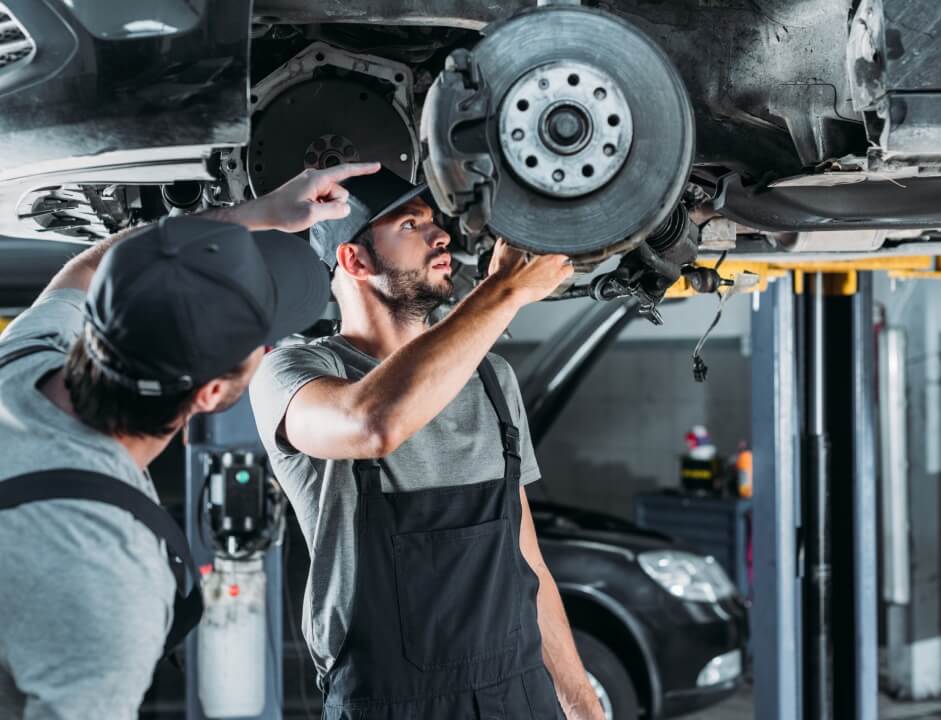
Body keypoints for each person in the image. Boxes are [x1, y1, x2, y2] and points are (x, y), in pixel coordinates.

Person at [0, 162, 380, 720]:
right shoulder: (106, 581)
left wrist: (251, 215)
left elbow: (87, 268)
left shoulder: (25, 362)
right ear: (212, 393)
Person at [250, 168, 604, 719]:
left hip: (517, 691)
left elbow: (526, 556)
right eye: (410, 224)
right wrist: (502, 290)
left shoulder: (492, 379)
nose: (441, 237)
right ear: (355, 261)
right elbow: (373, 425)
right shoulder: (296, 372)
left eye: (436, 223)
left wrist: (580, 699)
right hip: (392, 703)